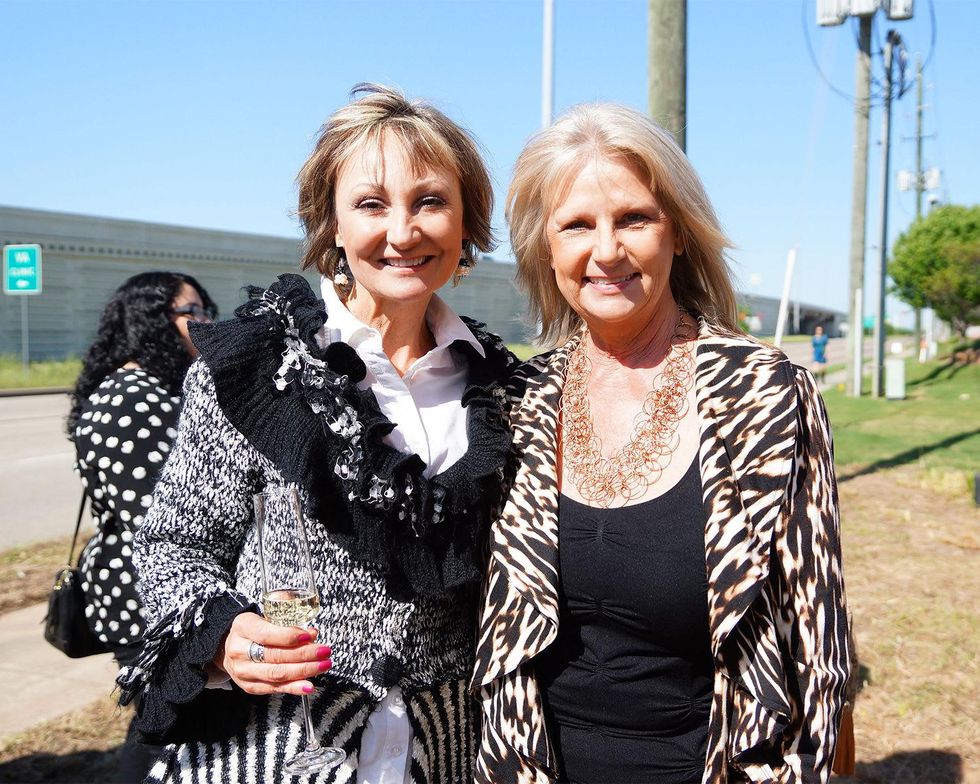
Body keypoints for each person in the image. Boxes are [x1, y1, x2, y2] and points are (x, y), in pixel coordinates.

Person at [117, 84, 515, 784]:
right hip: (270, 753)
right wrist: (224, 637)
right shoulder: (255, 370)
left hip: (447, 754)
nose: (402, 231)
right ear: (330, 222)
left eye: (430, 201)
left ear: (465, 220)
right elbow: (171, 547)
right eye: (370, 203)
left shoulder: (502, 391)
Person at [472, 104, 851, 783]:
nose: (607, 250)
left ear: (678, 233)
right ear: (546, 249)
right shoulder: (513, 401)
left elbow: (819, 649)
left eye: (635, 218)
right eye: (578, 225)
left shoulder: (767, 395)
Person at [68, 270, 217, 782]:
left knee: (175, 717)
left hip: (157, 583)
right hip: (141, 588)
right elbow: (152, 513)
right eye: (189, 312)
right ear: (151, 321)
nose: (202, 322)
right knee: (164, 719)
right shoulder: (132, 396)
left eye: (204, 310)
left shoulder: (161, 387)